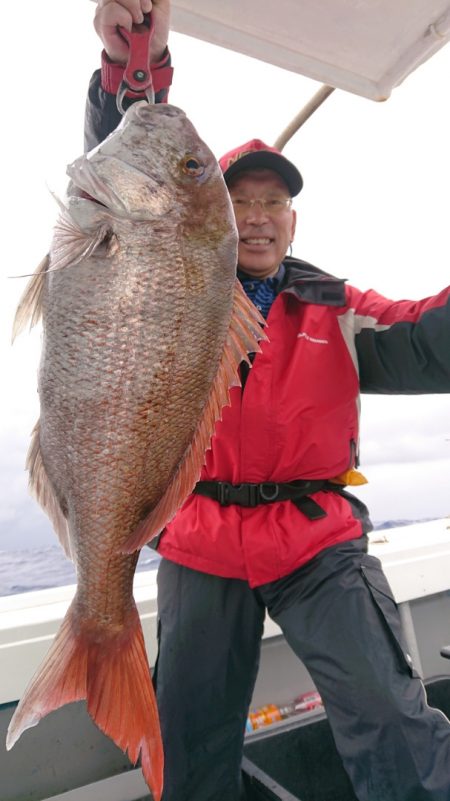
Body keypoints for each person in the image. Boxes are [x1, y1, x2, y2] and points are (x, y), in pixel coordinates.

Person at [88, 2, 450, 799]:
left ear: (292, 219)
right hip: (198, 538)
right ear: (213, 212)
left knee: (393, 718)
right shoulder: (173, 288)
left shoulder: (335, 305)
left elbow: (434, 338)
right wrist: (129, 67)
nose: (254, 216)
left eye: (270, 203)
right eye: (238, 199)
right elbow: (123, 192)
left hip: (316, 542)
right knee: (186, 744)